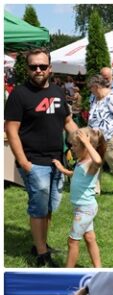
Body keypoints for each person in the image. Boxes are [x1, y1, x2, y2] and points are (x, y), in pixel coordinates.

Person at [5, 47, 79, 267]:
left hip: (56, 160)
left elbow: (67, 122)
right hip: (33, 161)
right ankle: (41, 253)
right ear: (27, 69)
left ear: (50, 68)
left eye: (42, 66)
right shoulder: (19, 94)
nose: (38, 70)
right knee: (38, 207)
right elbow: (11, 130)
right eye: (33, 66)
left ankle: (42, 243)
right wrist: (25, 163)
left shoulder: (57, 91)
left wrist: (82, 139)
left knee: (48, 207)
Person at [52, 128, 106, 268]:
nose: (72, 148)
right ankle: (98, 269)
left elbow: (99, 161)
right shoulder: (82, 162)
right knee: (89, 238)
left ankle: (67, 273)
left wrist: (87, 143)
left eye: (75, 145)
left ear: (87, 146)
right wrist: (63, 170)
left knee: (72, 241)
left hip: (85, 209)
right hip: (81, 208)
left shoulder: (91, 164)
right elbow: (77, 175)